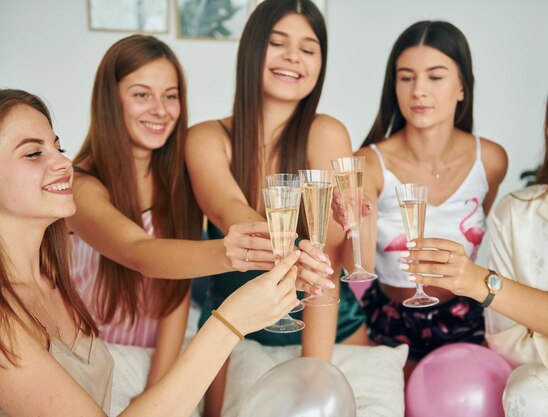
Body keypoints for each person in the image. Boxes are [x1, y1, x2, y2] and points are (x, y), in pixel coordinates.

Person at [0, 88, 300, 416]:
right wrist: (230, 322)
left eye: (60, 148)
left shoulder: (52, 280)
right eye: (33, 154)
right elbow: (140, 252)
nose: (63, 162)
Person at [67, 34, 332, 390]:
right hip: (88, 358)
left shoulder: (176, 180)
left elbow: (175, 298)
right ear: (109, 100)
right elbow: (140, 253)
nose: (160, 110)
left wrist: (159, 387)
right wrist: (235, 251)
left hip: (155, 358)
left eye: (170, 96)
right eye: (141, 94)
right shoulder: (79, 186)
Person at [403, 54, 548, 415]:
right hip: (546, 389)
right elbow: (506, 341)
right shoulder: (517, 213)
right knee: (530, 387)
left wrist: (480, 283)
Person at [186, 0, 369, 414]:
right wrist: (284, 241)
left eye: (308, 49)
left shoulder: (326, 132)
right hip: (234, 324)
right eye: (278, 43)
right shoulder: (206, 138)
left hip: (331, 325)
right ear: (252, 48)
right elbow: (228, 208)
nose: (293, 57)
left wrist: (315, 375)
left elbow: (330, 260)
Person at [333, 20, 507, 379]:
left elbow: (477, 227)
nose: (418, 91)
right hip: (388, 323)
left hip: (468, 321)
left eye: (436, 76)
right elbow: (353, 264)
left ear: (462, 87)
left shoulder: (490, 159)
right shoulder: (367, 162)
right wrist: (355, 221)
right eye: (406, 77)